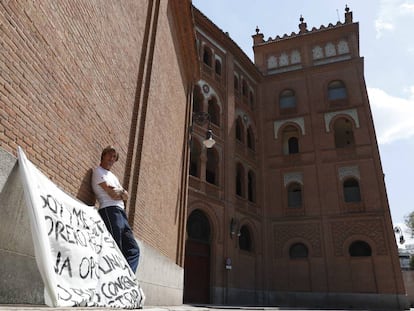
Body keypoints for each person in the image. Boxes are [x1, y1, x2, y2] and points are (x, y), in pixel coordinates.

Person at [91, 145, 140, 273]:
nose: (112, 159)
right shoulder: (98, 172)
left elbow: (126, 196)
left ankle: (126, 277)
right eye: (110, 155)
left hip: (122, 214)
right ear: (103, 155)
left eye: (114, 157)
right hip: (110, 211)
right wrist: (121, 192)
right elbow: (112, 193)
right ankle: (112, 277)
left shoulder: (113, 176)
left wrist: (121, 192)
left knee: (134, 250)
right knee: (114, 247)